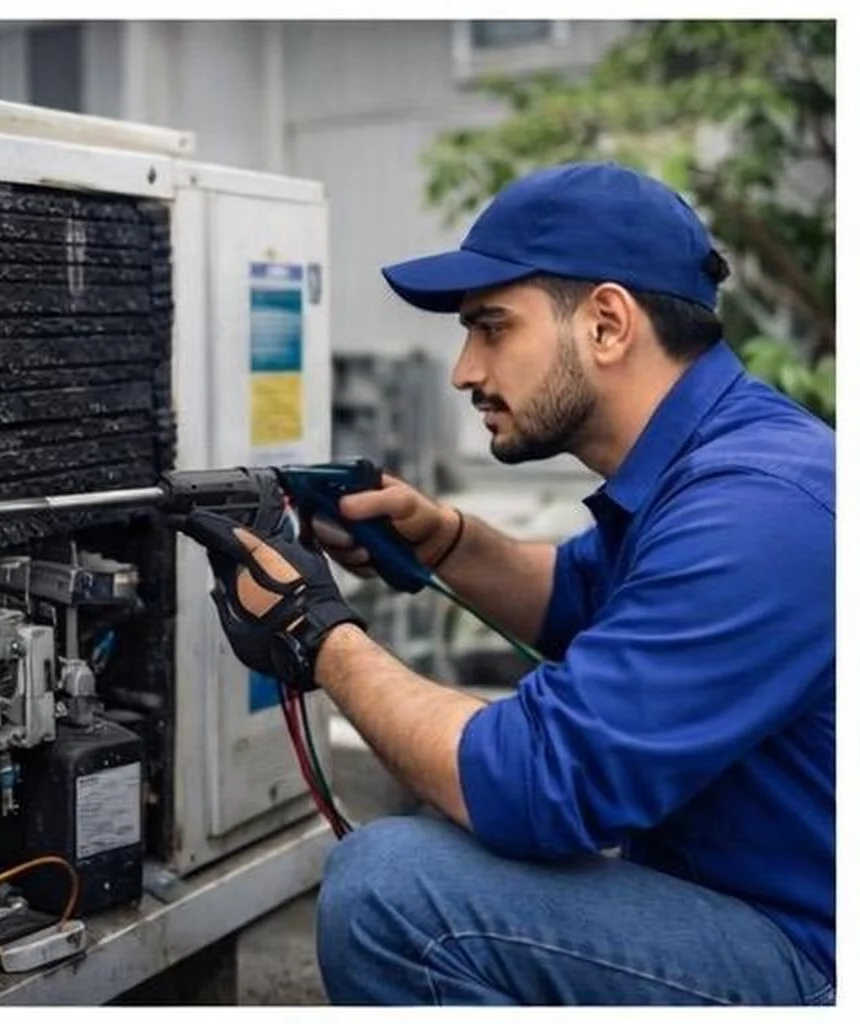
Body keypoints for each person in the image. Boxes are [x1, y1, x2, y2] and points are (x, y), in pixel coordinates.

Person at [180, 161, 835, 1006]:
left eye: (491, 327)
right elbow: (571, 596)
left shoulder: (758, 512)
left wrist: (318, 634)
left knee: (393, 891)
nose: (463, 369)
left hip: (815, 961)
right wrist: (446, 540)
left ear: (606, 323)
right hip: (755, 906)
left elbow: (530, 786)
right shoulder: (718, 462)